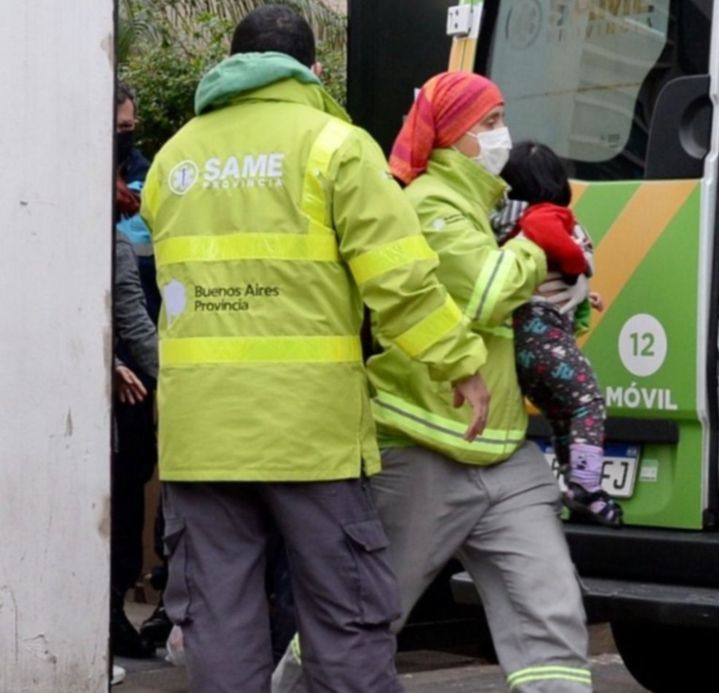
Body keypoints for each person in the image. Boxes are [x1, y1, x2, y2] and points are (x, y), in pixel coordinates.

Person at [140, 8, 492, 691]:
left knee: (218, 622)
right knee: (345, 619)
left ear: (231, 64)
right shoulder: (337, 145)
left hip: (201, 434)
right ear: (313, 70)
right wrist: (460, 362)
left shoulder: (173, 157)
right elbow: (398, 277)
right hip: (311, 434)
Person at [272, 71, 595, 693]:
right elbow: (484, 295)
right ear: (452, 137)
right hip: (422, 449)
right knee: (365, 618)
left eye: (503, 118)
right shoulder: (426, 207)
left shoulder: (484, 208)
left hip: (502, 448)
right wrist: (537, 245)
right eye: (490, 123)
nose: (504, 135)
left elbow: (522, 308)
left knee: (552, 615)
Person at [493, 142, 621, 527]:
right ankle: (584, 485)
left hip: (525, 338)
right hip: (542, 333)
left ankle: (577, 485)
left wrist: (584, 291)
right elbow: (548, 236)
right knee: (587, 403)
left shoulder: (506, 220)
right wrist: (578, 264)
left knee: (563, 413)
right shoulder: (544, 213)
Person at [111, 82, 161, 661]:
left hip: (137, 383)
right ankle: (108, 616)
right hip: (135, 381)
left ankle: (115, 612)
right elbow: (129, 314)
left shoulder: (148, 175)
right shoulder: (113, 240)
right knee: (124, 504)